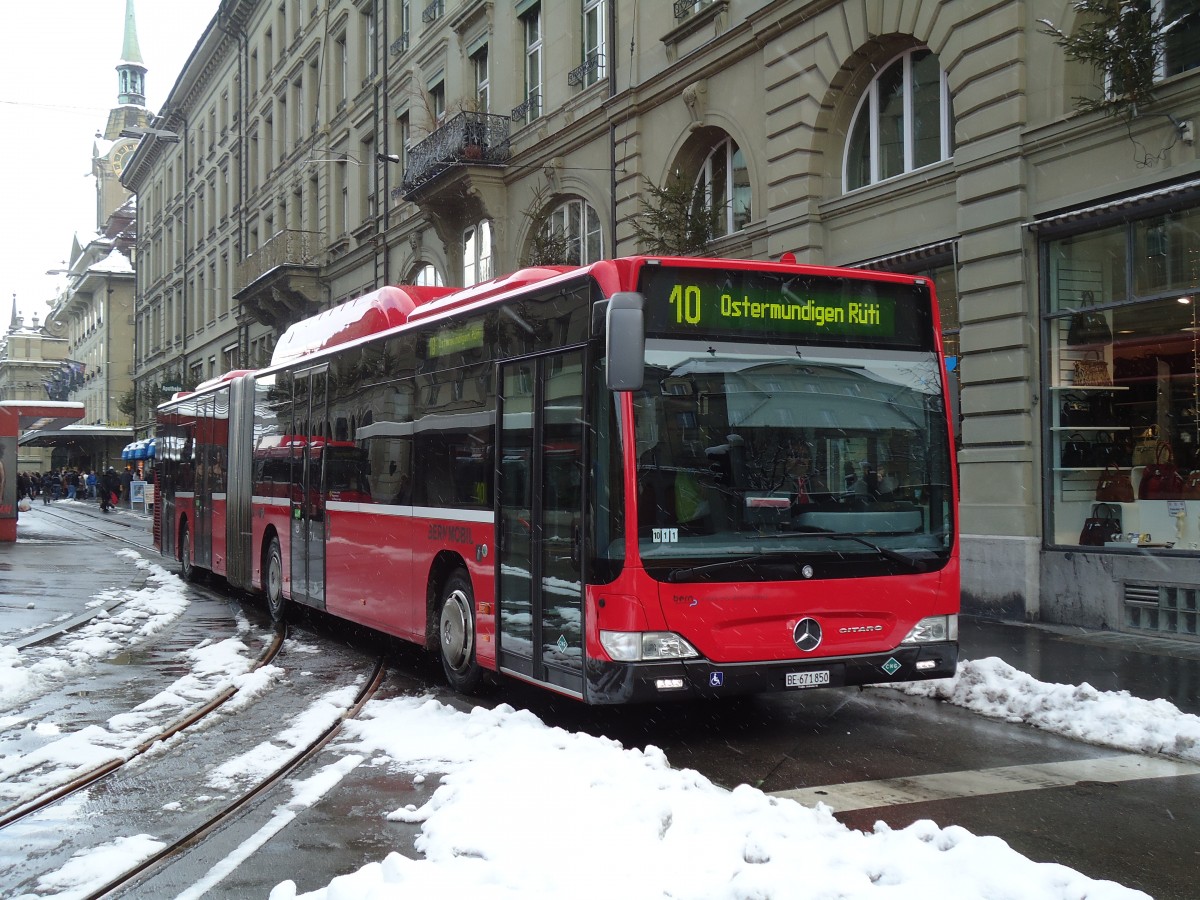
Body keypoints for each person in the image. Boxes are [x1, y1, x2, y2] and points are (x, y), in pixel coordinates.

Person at [785, 441, 827, 506]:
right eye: (795, 455)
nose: (800, 459)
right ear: (786, 460)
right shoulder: (779, 484)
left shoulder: (816, 483)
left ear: (809, 461)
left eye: (804, 456)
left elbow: (830, 506)